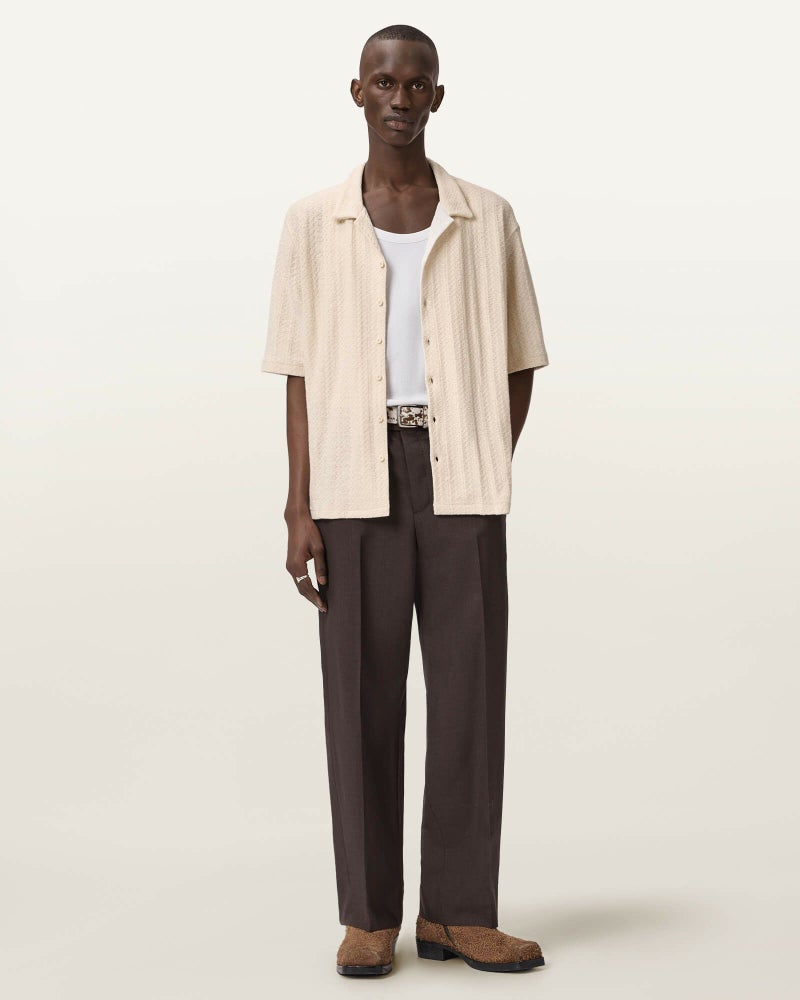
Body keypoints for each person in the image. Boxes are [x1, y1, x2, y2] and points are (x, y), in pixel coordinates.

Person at [261, 23, 549, 977]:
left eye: (415, 82)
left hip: (461, 481)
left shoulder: (486, 217)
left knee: (469, 692)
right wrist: (299, 505)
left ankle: (459, 913)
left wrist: (481, 451)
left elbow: (520, 358)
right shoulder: (313, 221)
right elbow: (299, 371)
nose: (399, 97)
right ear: (357, 92)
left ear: (437, 96)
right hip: (352, 476)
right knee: (360, 697)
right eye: (382, 81)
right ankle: (369, 916)